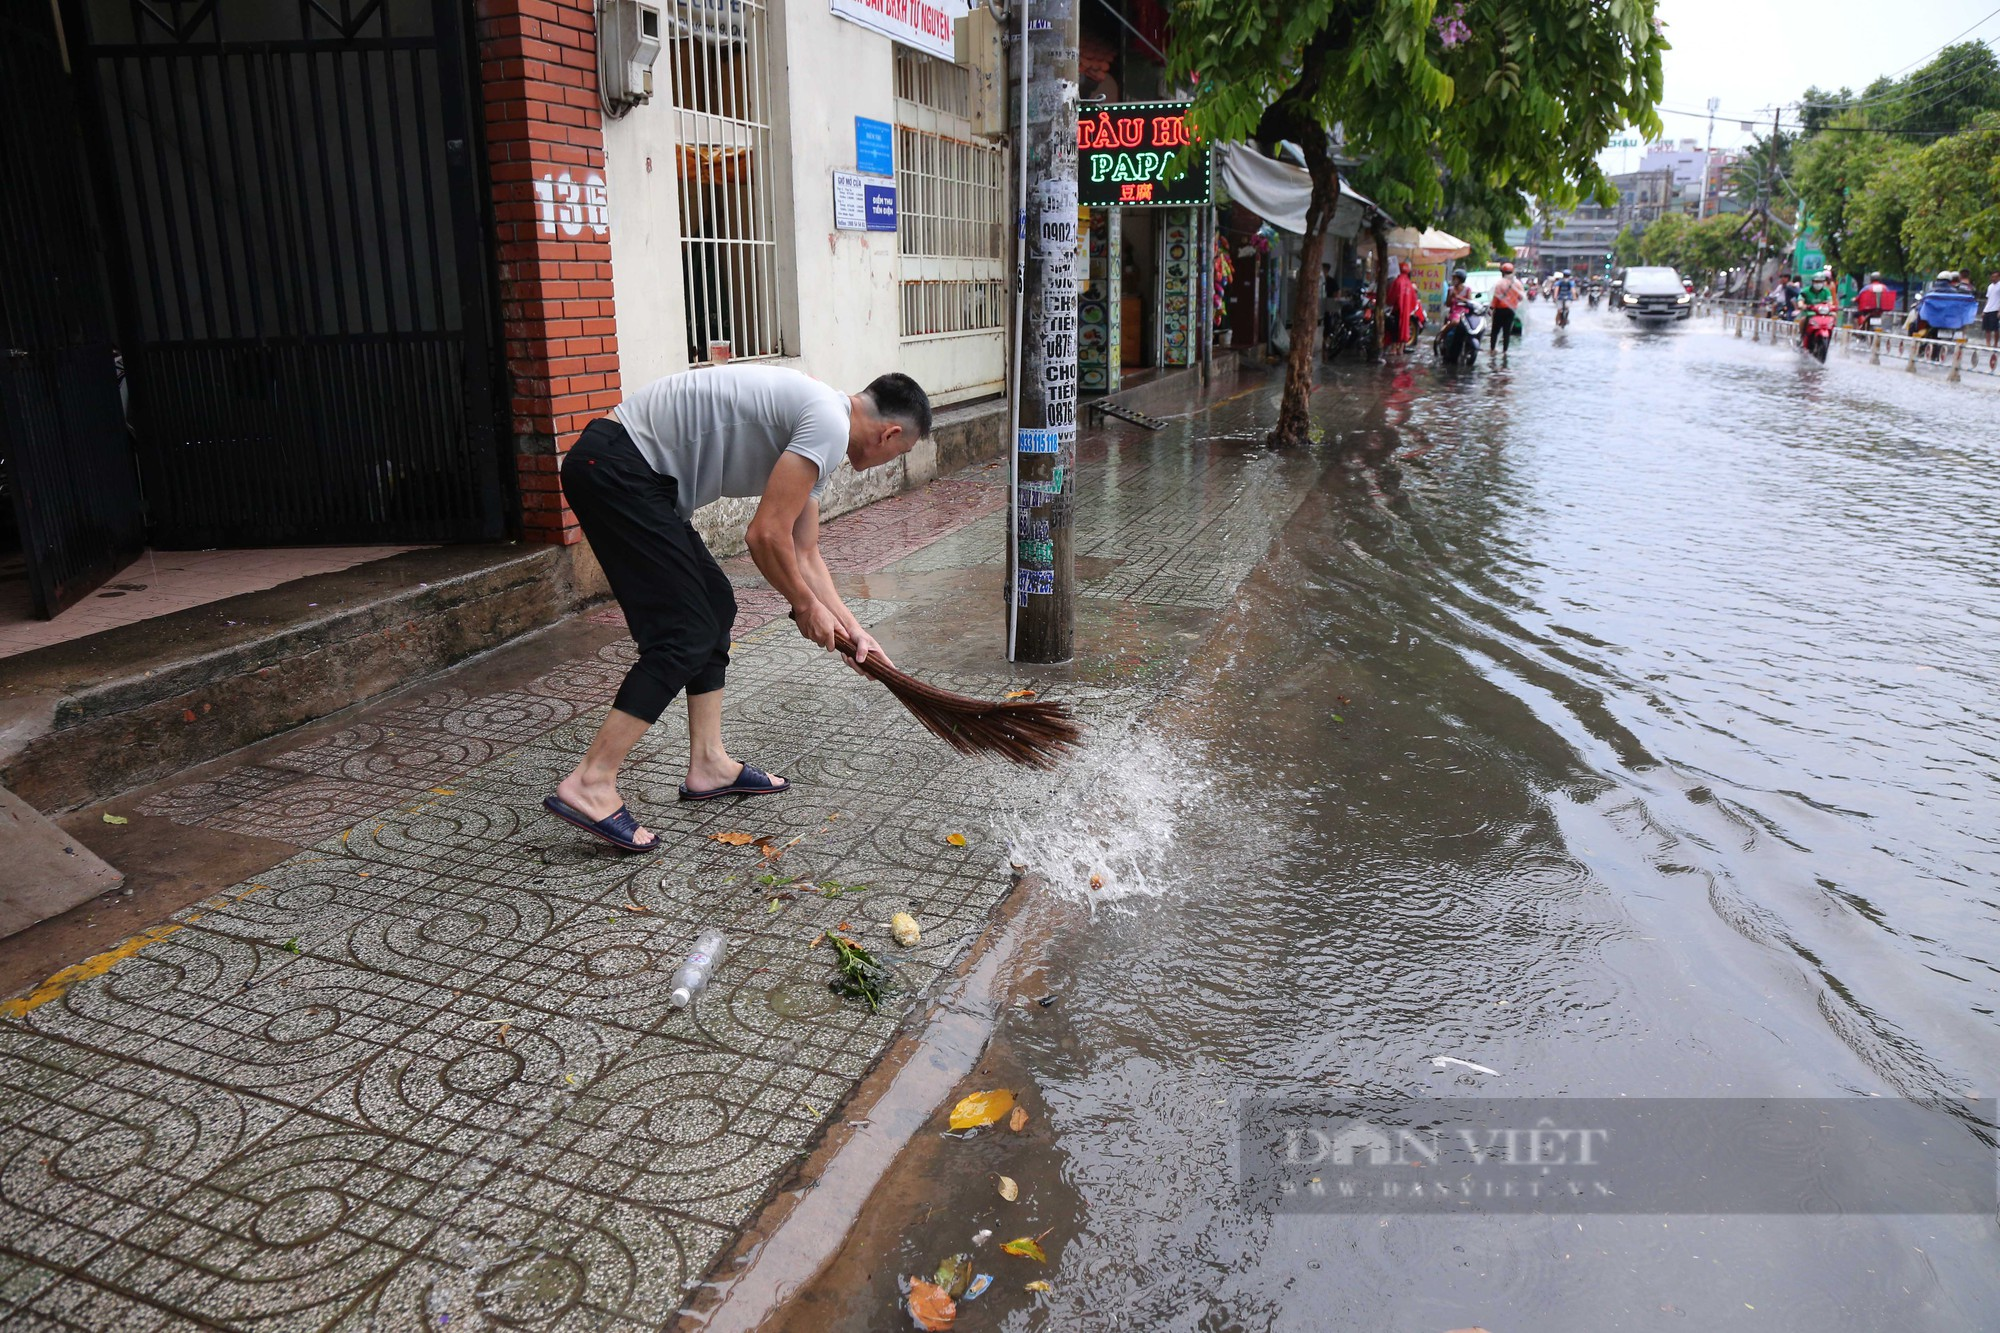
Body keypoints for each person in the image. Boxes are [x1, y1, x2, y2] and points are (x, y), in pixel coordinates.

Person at [545, 365, 931, 852]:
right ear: (890, 433)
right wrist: (804, 607)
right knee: (685, 631)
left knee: (714, 605)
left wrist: (855, 630)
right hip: (618, 467)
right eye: (904, 450)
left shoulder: (823, 424)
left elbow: (803, 550)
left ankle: (708, 763)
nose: (895, 457)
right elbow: (764, 536)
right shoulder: (828, 423)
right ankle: (591, 781)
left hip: (632, 474)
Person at [1386, 260, 1424, 353]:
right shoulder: (1409, 284)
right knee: (1404, 328)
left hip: (1397, 310)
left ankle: (1394, 348)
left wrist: (1389, 302)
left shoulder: (1397, 282)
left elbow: (1391, 297)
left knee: (1395, 328)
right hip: (1406, 312)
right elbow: (1413, 300)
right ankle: (1401, 348)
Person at [1489, 262, 1525, 352]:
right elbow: (1521, 297)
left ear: (1502, 272)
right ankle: (1505, 351)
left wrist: (1491, 308)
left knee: (1495, 331)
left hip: (1499, 310)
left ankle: (1492, 349)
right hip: (1511, 310)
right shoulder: (1518, 284)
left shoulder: (1499, 284)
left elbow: (1495, 298)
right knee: (1507, 331)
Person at [1983, 269, 2000, 349]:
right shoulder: (1990, 286)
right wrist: (1984, 310)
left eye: (1995, 277)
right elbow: (1988, 299)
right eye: (1992, 277)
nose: (1993, 278)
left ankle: (1996, 343)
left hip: (1995, 309)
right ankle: (1988, 343)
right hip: (1988, 309)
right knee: (1987, 328)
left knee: (1995, 328)